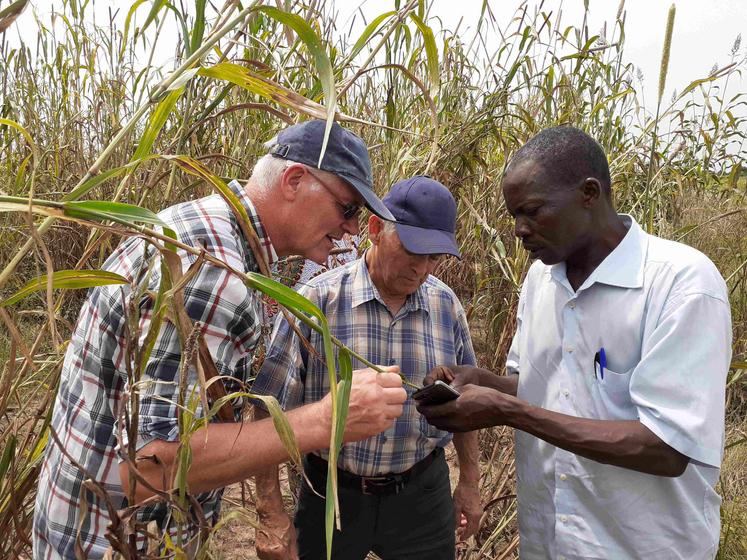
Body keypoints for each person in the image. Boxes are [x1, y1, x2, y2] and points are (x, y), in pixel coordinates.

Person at [33, 120, 408, 559]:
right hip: (114, 541)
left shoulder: (203, 229)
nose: (351, 230)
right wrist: (327, 419)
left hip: (86, 525)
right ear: (294, 180)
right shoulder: (214, 271)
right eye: (347, 209)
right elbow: (150, 468)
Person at [417, 126, 732, 560]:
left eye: (532, 211)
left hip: (641, 546)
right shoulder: (540, 280)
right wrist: (484, 384)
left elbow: (667, 448)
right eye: (513, 216)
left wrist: (509, 412)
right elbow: (540, 386)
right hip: (550, 540)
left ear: (589, 193)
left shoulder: (680, 283)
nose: (519, 230)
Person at [251, 176, 482, 560]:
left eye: (434, 257)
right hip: (333, 496)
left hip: (422, 495)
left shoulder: (445, 306)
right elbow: (269, 407)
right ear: (375, 229)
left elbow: (466, 405)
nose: (422, 269)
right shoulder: (317, 302)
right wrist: (270, 510)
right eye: (412, 250)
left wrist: (471, 483)